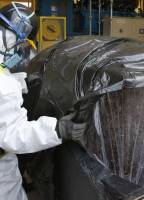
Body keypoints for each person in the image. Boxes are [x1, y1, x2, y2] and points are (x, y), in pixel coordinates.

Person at [0, 3, 86, 200]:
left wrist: (19, 81)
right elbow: (12, 135)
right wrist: (58, 130)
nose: (19, 50)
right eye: (20, 44)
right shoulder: (4, 85)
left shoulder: (5, 77)